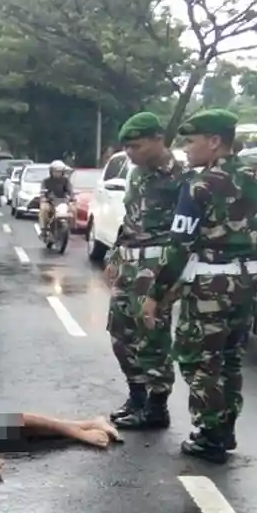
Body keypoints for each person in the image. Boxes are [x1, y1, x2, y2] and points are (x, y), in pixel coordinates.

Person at [142, 109, 257, 463]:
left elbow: (179, 245)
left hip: (210, 284)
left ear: (214, 141)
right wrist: (246, 242)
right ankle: (225, 429)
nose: (187, 151)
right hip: (250, 282)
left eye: (191, 142)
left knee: (198, 359)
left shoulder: (199, 185)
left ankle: (210, 436)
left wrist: (156, 294)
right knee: (229, 359)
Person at [105, 112, 184, 431]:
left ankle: (156, 405)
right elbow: (131, 217)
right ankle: (136, 396)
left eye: (136, 146)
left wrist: (174, 276)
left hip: (158, 263)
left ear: (157, 139)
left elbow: (188, 229)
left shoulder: (181, 176)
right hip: (129, 259)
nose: (130, 153)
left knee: (151, 334)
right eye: (126, 147)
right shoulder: (136, 173)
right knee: (120, 332)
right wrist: (115, 252)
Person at [38, 160, 73, 235]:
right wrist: (44, 197)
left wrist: (72, 197)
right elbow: (42, 191)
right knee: (44, 209)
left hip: (62, 202)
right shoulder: (46, 181)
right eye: (55, 171)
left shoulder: (65, 181)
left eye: (59, 171)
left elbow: (70, 191)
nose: (57, 173)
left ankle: (71, 227)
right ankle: (44, 229)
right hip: (49, 202)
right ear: (51, 171)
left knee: (72, 209)